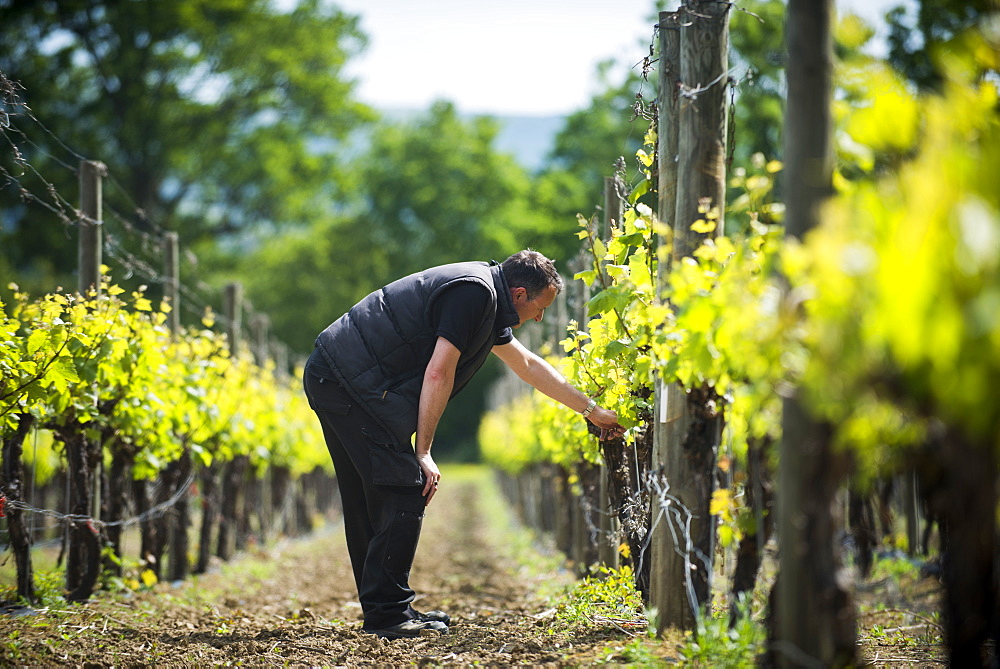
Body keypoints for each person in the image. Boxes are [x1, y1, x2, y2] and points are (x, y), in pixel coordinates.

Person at [302, 250, 625, 640]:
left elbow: (527, 365)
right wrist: (423, 451)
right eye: (540, 308)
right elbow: (439, 371)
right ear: (520, 294)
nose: (539, 318)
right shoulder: (474, 294)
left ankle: (389, 609)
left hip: (337, 375)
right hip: (347, 381)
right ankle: (388, 615)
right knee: (404, 488)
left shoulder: (487, 298)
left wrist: (591, 410)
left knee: (376, 496)